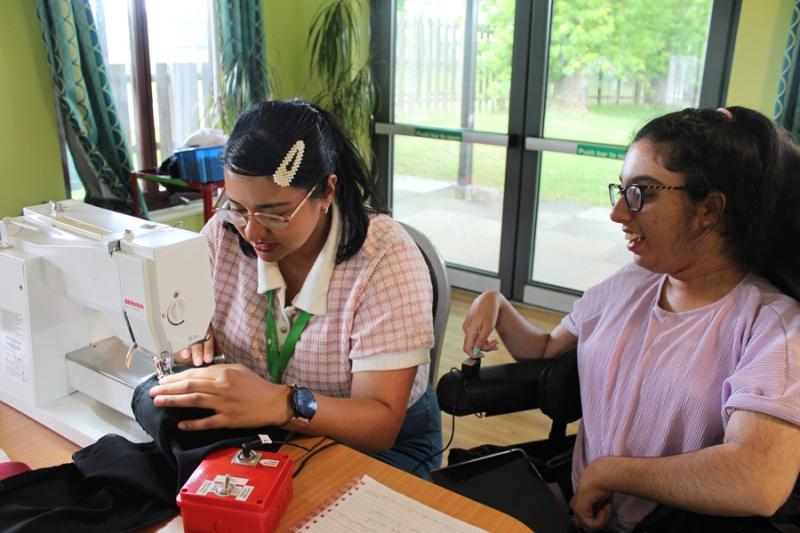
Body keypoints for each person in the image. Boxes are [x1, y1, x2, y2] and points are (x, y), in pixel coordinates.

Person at [462, 106, 800, 531]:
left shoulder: (771, 326)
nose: (619, 213)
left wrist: (611, 472)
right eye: (620, 191)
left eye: (641, 192)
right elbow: (545, 349)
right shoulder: (632, 283)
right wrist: (496, 304)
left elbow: (757, 480)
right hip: (574, 507)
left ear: (709, 209)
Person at [148, 99, 442, 476]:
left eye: (275, 213)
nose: (252, 231)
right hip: (271, 430)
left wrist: (283, 404)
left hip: (379, 447)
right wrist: (191, 330)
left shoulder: (385, 259)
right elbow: (182, 311)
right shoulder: (223, 235)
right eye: (237, 207)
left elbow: (380, 425)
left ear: (326, 192)